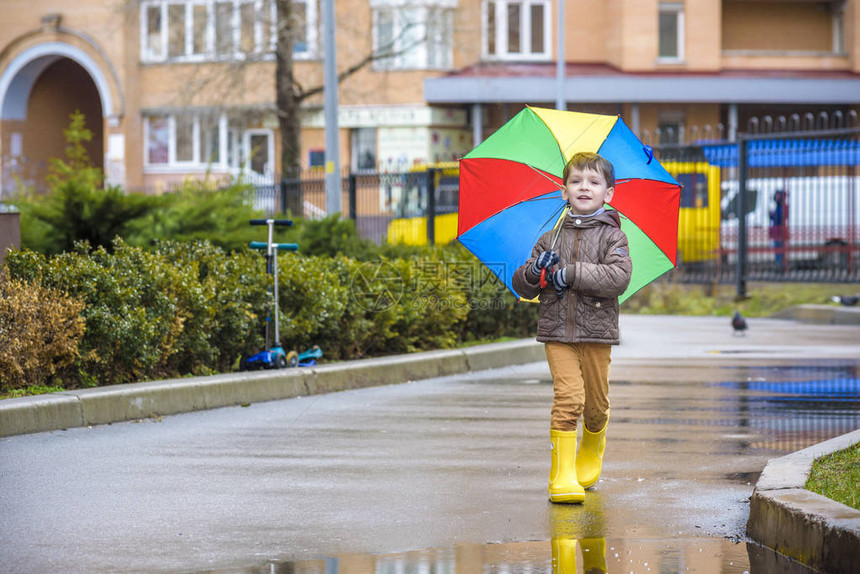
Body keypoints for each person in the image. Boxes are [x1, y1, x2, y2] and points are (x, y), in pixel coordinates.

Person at [512, 152, 632, 504]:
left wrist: (573, 272)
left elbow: (618, 277)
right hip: (556, 332)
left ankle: (593, 441)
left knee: (594, 405)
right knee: (568, 399)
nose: (584, 187)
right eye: (576, 181)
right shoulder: (550, 238)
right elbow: (523, 286)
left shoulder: (614, 238)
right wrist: (537, 270)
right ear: (564, 191)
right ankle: (561, 475)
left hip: (596, 333)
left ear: (608, 194)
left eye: (594, 182)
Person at [769, 190, 788, 266]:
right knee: (777, 250)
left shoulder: (784, 207)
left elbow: (780, 217)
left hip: (780, 233)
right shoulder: (778, 207)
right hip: (776, 233)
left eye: (778, 196)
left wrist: (773, 215)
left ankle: (780, 265)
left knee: (780, 250)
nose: (776, 197)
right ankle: (778, 264)